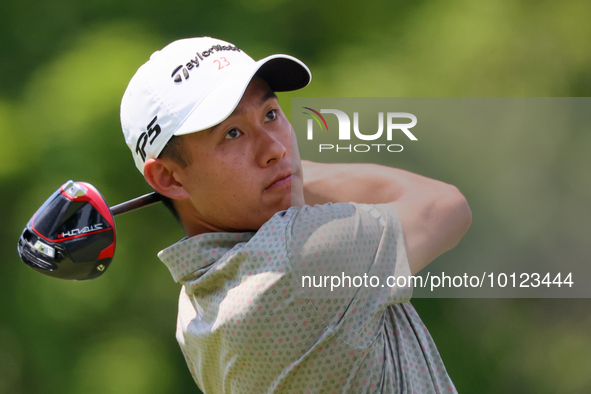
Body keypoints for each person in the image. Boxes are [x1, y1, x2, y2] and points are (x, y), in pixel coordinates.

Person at [120, 36, 472, 393]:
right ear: (167, 177)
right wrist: (289, 170)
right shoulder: (301, 256)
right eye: (232, 134)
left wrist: (278, 172)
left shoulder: (194, 306)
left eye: (270, 114)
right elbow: (444, 206)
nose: (275, 147)